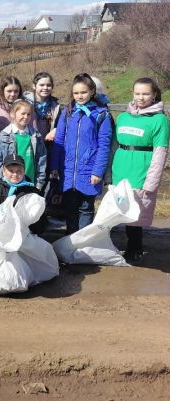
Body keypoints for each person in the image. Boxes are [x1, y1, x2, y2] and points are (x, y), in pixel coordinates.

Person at [111, 77, 169, 263]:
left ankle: (135, 247)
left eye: (145, 93)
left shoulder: (159, 120)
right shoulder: (123, 117)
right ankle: (118, 245)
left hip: (141, 170)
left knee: (137, 212)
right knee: (120, 209)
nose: (141, 97)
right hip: (121, 168)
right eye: (137, 93)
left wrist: (151, 181)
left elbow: (160, 153)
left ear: (154, 95)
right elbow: (115, 145)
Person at [50, 73, 113, 234]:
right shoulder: (68, 111)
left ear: (92, 91)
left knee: (86, 207)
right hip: (68, 169)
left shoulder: (101, 114)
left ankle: (83, 242)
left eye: (83, 92)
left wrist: (98, 171)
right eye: (76, 93)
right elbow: (59, 140)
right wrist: (55, 166)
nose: (79, 96)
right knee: (70, 207)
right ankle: (71, 240)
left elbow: (104, 145)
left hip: (89, 169)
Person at [0, 153, 46, 235]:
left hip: (26, 233)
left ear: (24, 171)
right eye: (11, 171)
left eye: (19, 171)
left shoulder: (32, 191)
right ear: (3, 171)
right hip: (1, 232)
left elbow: (41, 221)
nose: (15, 174)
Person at [0, 100, 46, 190]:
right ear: (13, 114)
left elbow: (42, 158)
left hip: (31, 181)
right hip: (11, 182)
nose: (26, 117)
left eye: (28, 114)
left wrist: (40, 180)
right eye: (23, 114)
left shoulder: (35, 135)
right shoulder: (5, 135)